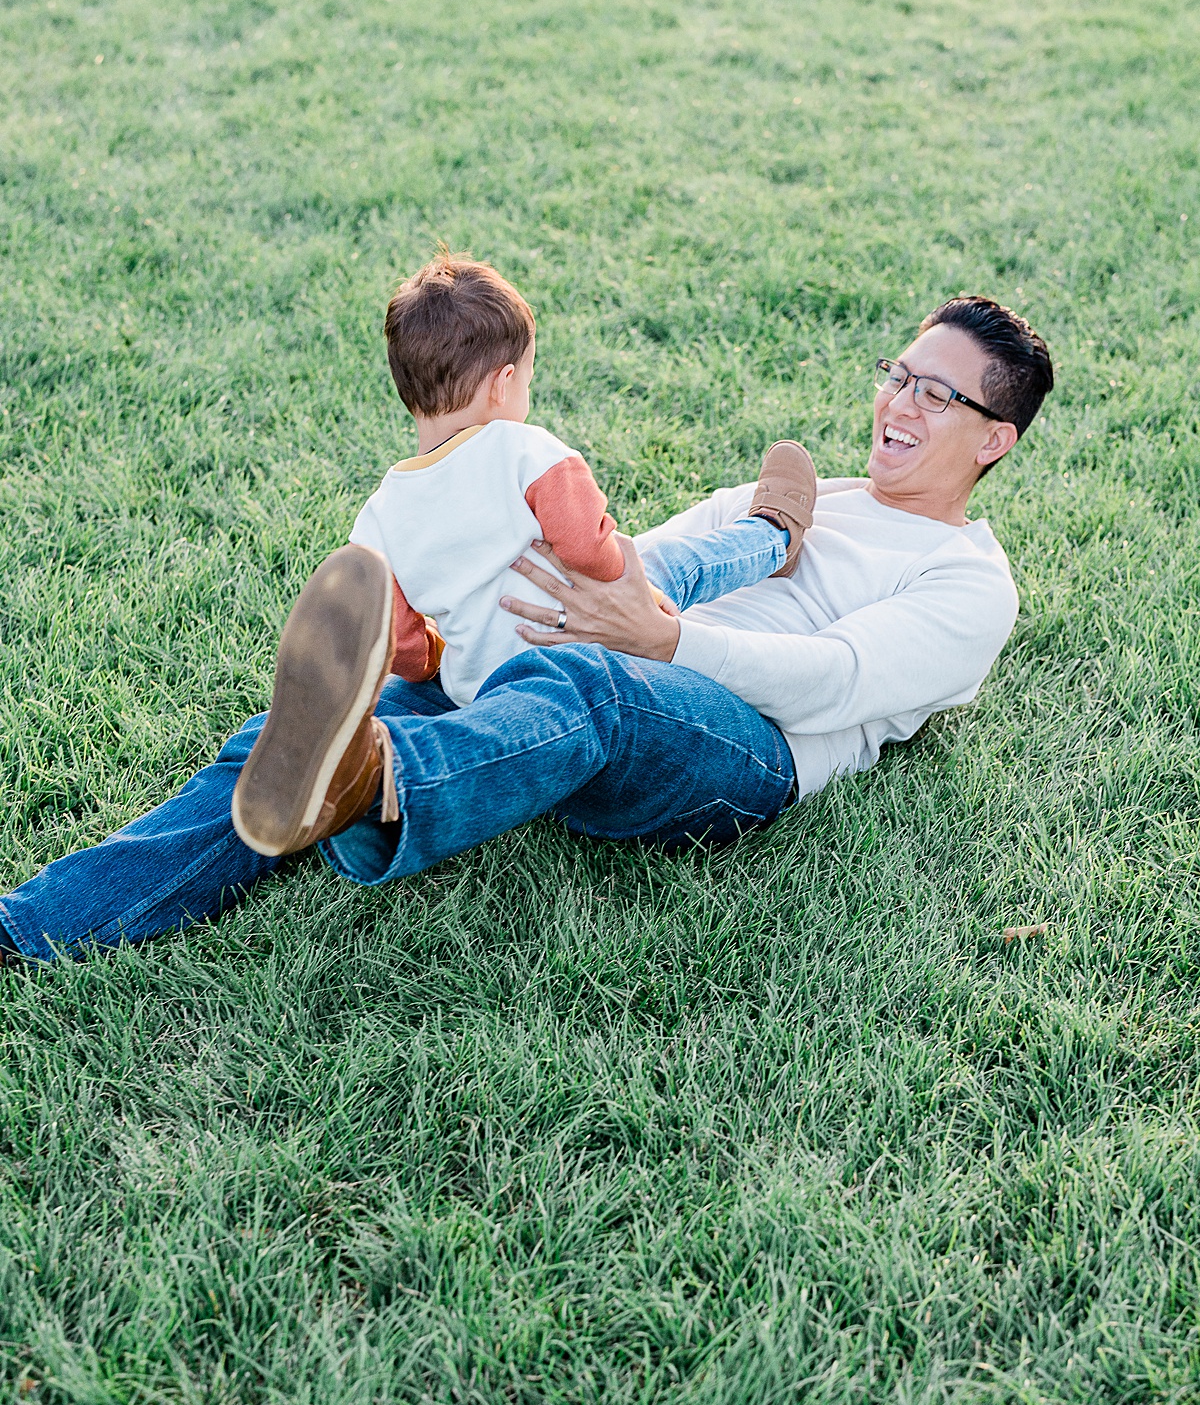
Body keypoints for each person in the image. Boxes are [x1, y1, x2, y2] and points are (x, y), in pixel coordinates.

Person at [0, 294, 1053, 966]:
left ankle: (377, 787)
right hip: (621, 646)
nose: (897, 401)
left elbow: (832, 683)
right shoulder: (782, 495)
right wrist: (503, 606)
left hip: (741, 745)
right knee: (311, 723)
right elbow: (627, 562)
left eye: (937, 393)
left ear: (994, 438)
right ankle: (32, 923)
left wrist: (658, 639)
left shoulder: (967, 580)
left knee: (586, 689)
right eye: (897, 373)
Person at [231, 252, 818, 856]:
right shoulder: (526, 451)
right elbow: (589, 549)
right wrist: (628, 590)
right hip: (576, 656)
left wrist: (440, 657)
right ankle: (772, 538)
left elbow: (402, 646)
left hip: (479, 696)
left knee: (670, 566)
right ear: (504, 383)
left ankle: (770, 537)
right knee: (668, 565)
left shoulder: (378, 517)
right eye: (529, 380)